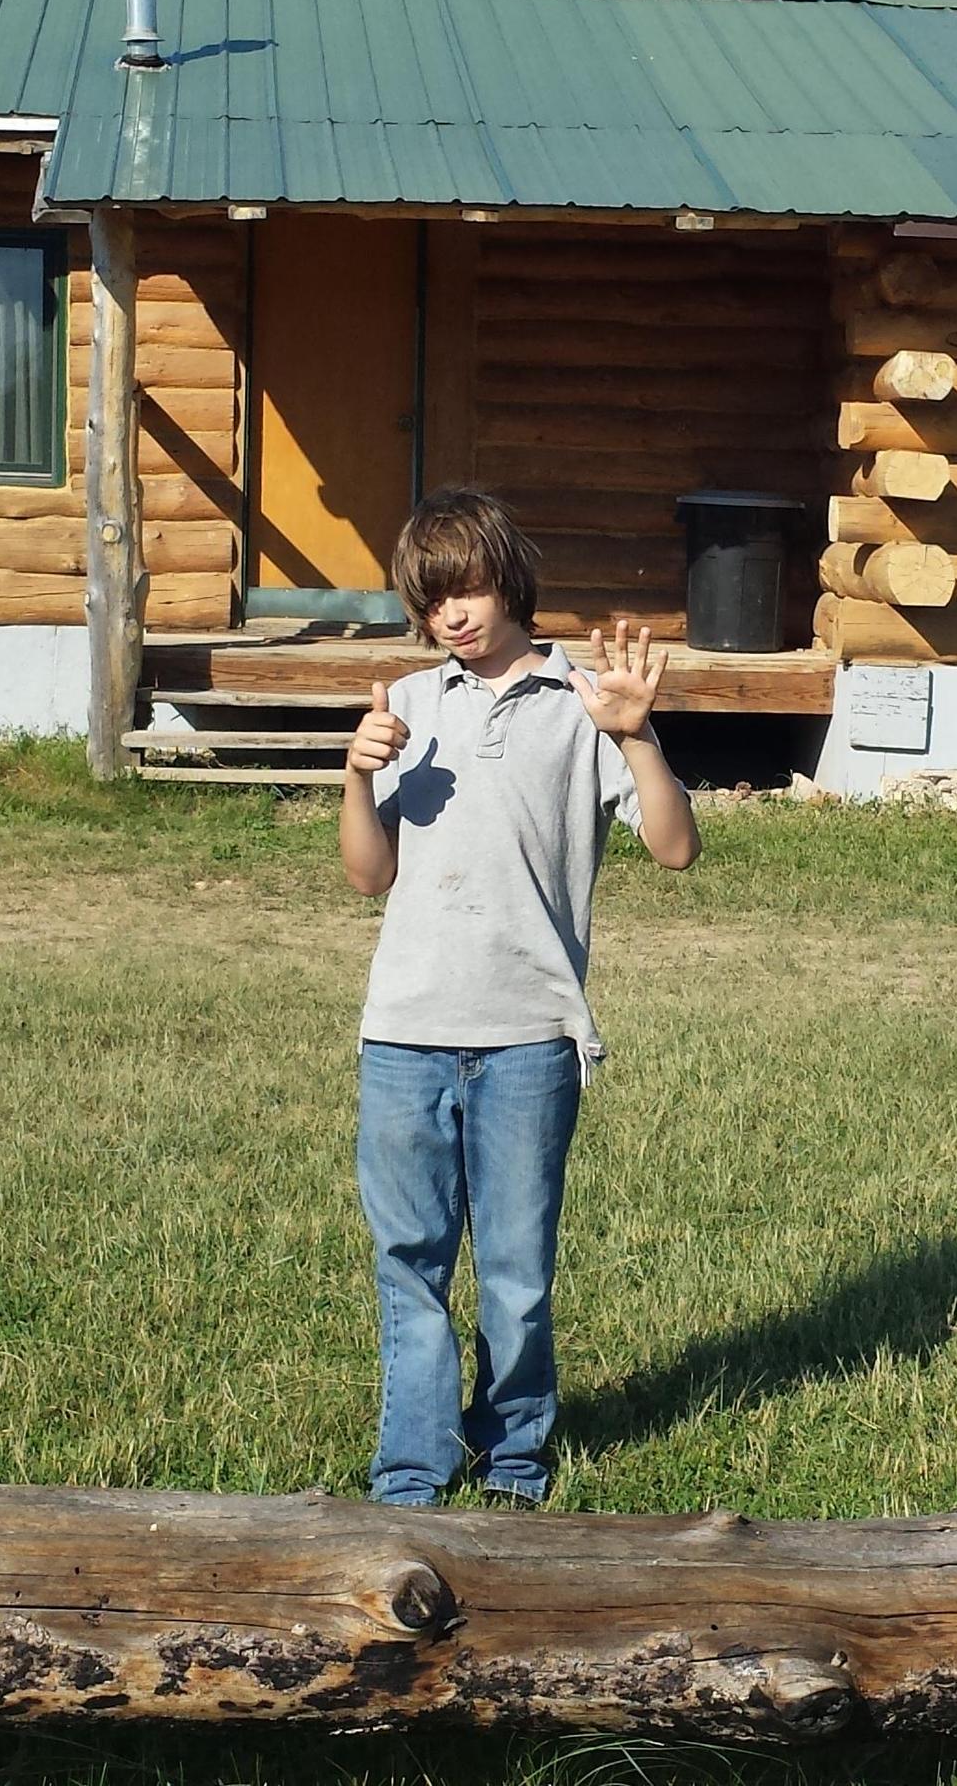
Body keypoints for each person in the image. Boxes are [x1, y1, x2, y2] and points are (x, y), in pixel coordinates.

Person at [339, 487, 699, 1508]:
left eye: (468, 587)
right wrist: (357, 780)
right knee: (409, 1267)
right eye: (431, 597)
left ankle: (514, 1462)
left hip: (528, 1039)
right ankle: (410, 1473)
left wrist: (637, 736)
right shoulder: (407, 702)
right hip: (404, 1034)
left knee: (514, 1272)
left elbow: (675, 849)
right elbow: (371, 876)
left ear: (509, 578)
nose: (452, 613)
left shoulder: (583, 704)